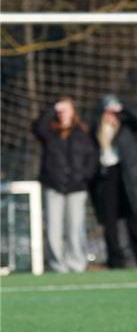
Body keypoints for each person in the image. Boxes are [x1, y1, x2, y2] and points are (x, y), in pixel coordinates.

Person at [90, 95, 137, 269]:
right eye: (106, 112)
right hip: (106, 179)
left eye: (112, 112)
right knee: (110, 223)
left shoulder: (126, 128)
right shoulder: (95, 130)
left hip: (127, 178)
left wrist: (123, 109)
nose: (109, 116)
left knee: (134, 220)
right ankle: (115, 260)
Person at [32, 97, 97, 273]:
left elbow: (91, 158)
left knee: (75, 228)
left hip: (77, 188)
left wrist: (84, 177)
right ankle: (57, 265)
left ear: (73, 112)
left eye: (65, 110)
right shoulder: (49, 132)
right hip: (54, 186)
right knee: (54, 228)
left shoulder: (82, 133)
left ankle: (77, 263)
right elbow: (37, 128)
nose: (62, 114)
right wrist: (52, 109)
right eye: (59, 111)